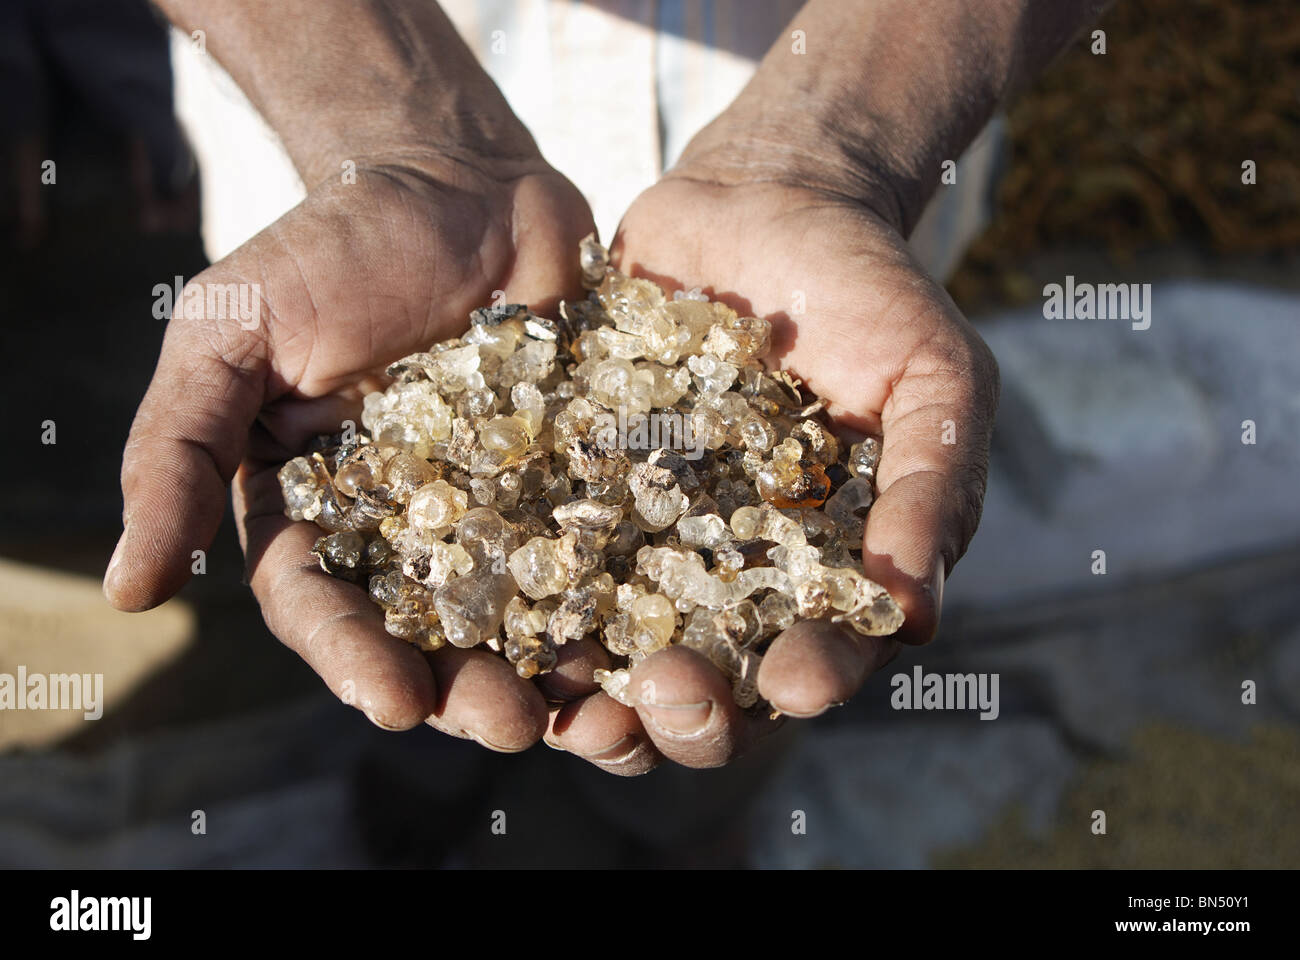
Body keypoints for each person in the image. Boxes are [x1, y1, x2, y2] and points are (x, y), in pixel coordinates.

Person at [103, 0, 1106, 775]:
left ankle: (698, 836)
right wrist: (383, 126)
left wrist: (842, 144)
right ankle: (424, 791)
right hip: (328, 161)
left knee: (755, 694)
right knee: (409, 699)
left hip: (862, 172)